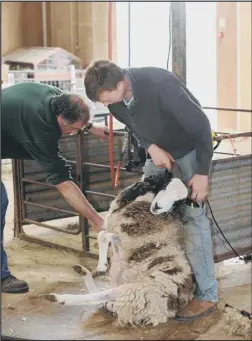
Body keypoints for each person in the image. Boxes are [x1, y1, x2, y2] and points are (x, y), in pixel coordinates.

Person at [84, 60, 218, 321]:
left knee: (193, 218)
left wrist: (201, 174)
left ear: (120, 84)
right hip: (159, 151)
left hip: (190, 153)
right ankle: (162, 278)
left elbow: (202, 127)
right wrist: (151, 147)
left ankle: (207, 295)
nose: (104, 104)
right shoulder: (116, 101)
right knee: (149, 211)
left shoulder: (161, 85)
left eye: (104, 98)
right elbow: (132, 123)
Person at [1, 82, 109, 294]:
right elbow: (64, 184)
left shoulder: (57, 98)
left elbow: (72, 113)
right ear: (61, 120)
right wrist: (97, 221)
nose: (73, 134)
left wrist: (89, 127)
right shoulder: (41, 128)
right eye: (73, 130)